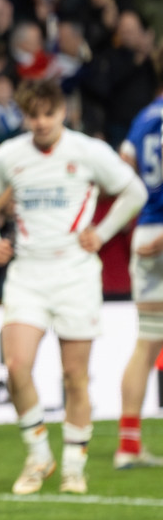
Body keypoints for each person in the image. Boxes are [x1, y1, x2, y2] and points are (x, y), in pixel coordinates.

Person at [0, 79, 147, 494]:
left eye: (48, 114)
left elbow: (134, 191)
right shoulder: (11, 155)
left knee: (75, 376)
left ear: (62, 112)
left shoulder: (88, 151)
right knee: (16, 367)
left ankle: (73, 465)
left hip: (75, 273)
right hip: (28, 273)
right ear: (24, 115)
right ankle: (38, 456)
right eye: (32, 115)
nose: (41, 122)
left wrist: (102, 233)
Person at [115, 92, 163, 468]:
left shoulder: (143, 117)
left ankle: (128, 446)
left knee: (147, 341)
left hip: (146, 231)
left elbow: (121, 168)